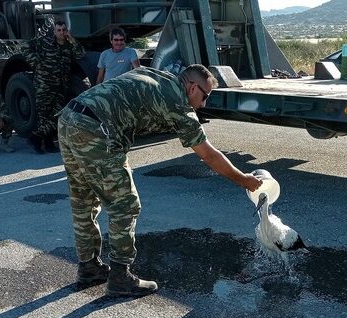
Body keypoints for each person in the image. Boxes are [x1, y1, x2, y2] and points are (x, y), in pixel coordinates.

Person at [57, 64, 262, 297]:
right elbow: (209, 155)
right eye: (204, 96)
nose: (203, 104)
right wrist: (243, 179)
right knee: (125, 205)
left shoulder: (159, 76)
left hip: (69, 117)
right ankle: (120, 277)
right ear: (192, 87)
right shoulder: (177, 104)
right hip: (97, 128)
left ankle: (89, 268)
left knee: (84, 199)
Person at [25, 20, 85, 154]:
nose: (62, 32)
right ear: (54, 31)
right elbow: (25, 47)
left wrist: (72, 39)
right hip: (44, 84)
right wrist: (35, 63)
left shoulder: (69, 46)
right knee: (43, 114)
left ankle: (35, 137)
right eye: (59, 30)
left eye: (64, 30)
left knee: (57, 113)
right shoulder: (44, 42)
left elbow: (80, 54)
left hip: (60, 85)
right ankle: (45, 143)